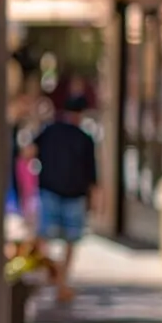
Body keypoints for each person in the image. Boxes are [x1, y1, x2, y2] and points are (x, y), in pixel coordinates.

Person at [26, 95, 100, 303]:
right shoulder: (84, 138)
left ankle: (52, 275)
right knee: (69, 241)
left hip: (51, 191)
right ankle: (61, 280)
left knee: (44, 238)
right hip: (73, 194)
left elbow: (28, 153)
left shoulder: (50, 131)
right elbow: (92, 174)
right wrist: (95, 200)